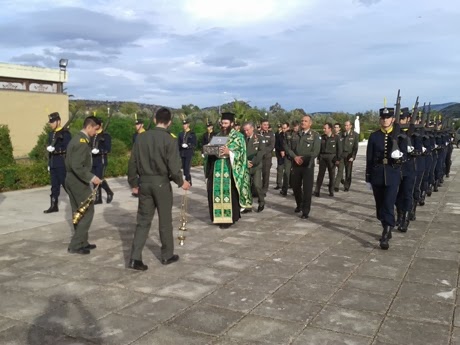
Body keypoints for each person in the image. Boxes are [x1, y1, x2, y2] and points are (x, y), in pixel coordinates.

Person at [127, 107, 191, 271]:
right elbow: (174, 166)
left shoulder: (141, 138)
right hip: (161, 183)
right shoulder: (169, 140)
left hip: (144, 183)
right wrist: (181, 181)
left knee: (142, 221)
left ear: (155, 119)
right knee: (164, 220)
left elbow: (132, 163)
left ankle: (135, 258)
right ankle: (167, 255)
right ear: (169, 122)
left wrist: (133, 183)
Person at [204, 112, 252, 228]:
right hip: (216, 170)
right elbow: (210, 151)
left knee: (230, 194)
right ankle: (217, 218)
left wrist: (229, 152)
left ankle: (229, 219)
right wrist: (209, 151)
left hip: (230, 170)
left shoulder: (238, 136)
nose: (224, 125)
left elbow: (241, 154)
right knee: (214, 193)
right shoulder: (218, 136)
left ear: (231, 123)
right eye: (222, 123)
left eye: (226, 123)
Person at [365, 107, 404, 250]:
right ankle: (386, 225)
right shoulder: (374, 136)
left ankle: (386, 232)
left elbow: (406, 154)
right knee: (380, 206)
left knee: (388, 204)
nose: (385, 120)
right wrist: (368, 177)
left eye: (388, 117)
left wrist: (399, 157)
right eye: (383, 118)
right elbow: (369, 158)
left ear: (393, 119)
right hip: (377, 174)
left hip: (393, 174)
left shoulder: (399, 135)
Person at [65, 116, 102, 255]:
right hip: (78, 181)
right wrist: (91, 177)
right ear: (89, 127)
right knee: (87, 211)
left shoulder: (77, 139)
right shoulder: (81, 142)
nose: (96, 133)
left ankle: (82, 242)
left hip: (71, 179)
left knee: (78, 212)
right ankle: (75, 244)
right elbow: (77, 166)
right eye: (95, 129)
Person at [285, 115, 321, 219]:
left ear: (310, 123)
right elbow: (288, 147)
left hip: (307, 166)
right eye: (302, 121)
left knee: (307, 189)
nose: (303, 123)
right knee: (295, 186)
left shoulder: (315, 135)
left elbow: (315, 151)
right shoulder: (295, 134)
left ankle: (305, 210)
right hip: (296, 165)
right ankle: (299, 204)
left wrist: (303, 158)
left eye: (305, 121)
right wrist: (295, 157)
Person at [44, 112, 71, 213]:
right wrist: (49, 164)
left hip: (61, 162)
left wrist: (56, 149)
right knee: (54, 186)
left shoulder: (66, 134)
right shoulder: (51, 134)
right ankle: (53, 205)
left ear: (58, 121)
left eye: (52, 122)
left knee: (65, 184)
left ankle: (76, 202)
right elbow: (50, 151)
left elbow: (68, 148)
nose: (50, 124)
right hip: (53, 163)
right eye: (50, 122)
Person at [395, 108, 416, 232]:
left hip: (409, 168)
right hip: (397, 169)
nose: (402, 121)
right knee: (397, 195)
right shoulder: (395, 133)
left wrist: (413, 150)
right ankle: (400, 215)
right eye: (400, 119)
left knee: (407, 194)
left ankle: (406, 219)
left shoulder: (414, 133)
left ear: (408, 119)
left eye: (403, 119)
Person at [243, 121, 265, 213]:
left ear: (252, 128)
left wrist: (253, 162)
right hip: (245, 165)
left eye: (247, 130)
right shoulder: (242, 138)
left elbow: (261, 152)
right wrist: (245, 162)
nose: (246, 132)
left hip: (256, 165)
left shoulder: (259, 138)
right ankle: (248, 205)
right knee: (246, 186)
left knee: (257, 185)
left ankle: (261, 202)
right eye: (244, 130)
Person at [91, 119, 114, 204]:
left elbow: (108, 149)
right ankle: (98, 198)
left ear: (100, 125)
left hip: (101, 160)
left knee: (99, 179)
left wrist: (99, 151)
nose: (95, 126)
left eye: (96, 124)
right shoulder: (93, 135)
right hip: (93, 160)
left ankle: (109, 192)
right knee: (94, 180)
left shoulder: (105, 136)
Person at [314, 123, 340, 197]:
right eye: (323, 128)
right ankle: (317, 190)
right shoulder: (322, 137)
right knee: (320, 175)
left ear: (330, 129)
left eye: (325, 128)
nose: (324, 130)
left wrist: (337, 159)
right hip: (323, 157)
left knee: (331, 175)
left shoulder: (336, 137)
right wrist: (318, 158)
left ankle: (331, 190)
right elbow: (319, 149)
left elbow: (339, 149)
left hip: (332, 157)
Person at [334, 120, 359, 192]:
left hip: (349, 155)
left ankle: (347, 186)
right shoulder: (341, 134)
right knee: (340, 170)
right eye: (345, 125)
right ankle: (336, 186)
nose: (346, 127)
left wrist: (353, 156)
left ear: (351, 126)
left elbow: (355, 147)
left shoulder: (355, 135)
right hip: (342, 155)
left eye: (347, 125)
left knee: (348, 172)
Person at [259, 119, 275, 194]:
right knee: (257, 174)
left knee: (266, 174)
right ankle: (256, 189)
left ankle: (264, 189)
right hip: (258, 157)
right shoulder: (257, 133)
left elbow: (271, 146)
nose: (266, 126)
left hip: (267, 157)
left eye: (267, 125)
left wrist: (263, 152)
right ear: (261, 125)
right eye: (264, 125)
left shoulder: (271, 134)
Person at [178, 119, 197, 185]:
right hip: (182, 153)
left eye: (185, 124)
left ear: (188, 125)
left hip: (189, 152)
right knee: (184, 167)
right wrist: (181, 145)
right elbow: (178, 143)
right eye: (183, 124)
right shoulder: (181, 134)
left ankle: (187, 180)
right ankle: (188, 178)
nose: (184, 126)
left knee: (187, 167)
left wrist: (188, 145)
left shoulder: (192, 133)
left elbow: (194, 143)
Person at [274, 122, 287, 191]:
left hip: (288, 155)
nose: (283, 129)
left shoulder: (290, 136)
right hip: (280, 155)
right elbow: (276, 145)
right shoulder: (279, 135)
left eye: (285, 128)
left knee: (288, 171)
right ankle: (279, 184)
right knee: (280, 169)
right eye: (282, 128)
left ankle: (288, 184)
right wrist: (281, 151)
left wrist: (285, 151)